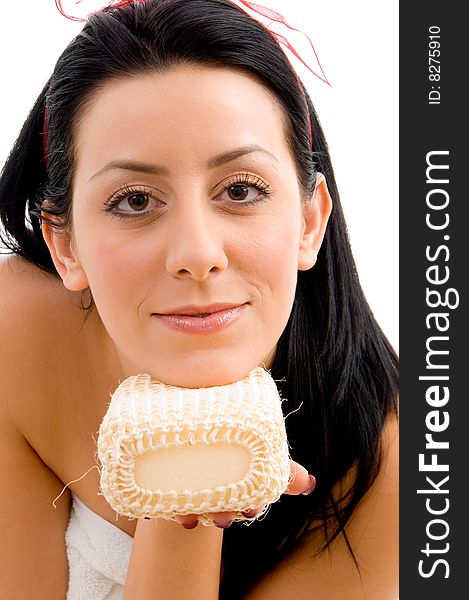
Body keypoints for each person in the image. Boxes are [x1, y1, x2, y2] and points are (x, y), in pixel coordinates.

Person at [0, 0, 399, 598]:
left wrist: (189, 515)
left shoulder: (392, 479)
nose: (196, 252)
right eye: (134, 200)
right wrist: (181, 493)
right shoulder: (14, 337)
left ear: (310, 221)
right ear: (66, 246)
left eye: (240, 189)